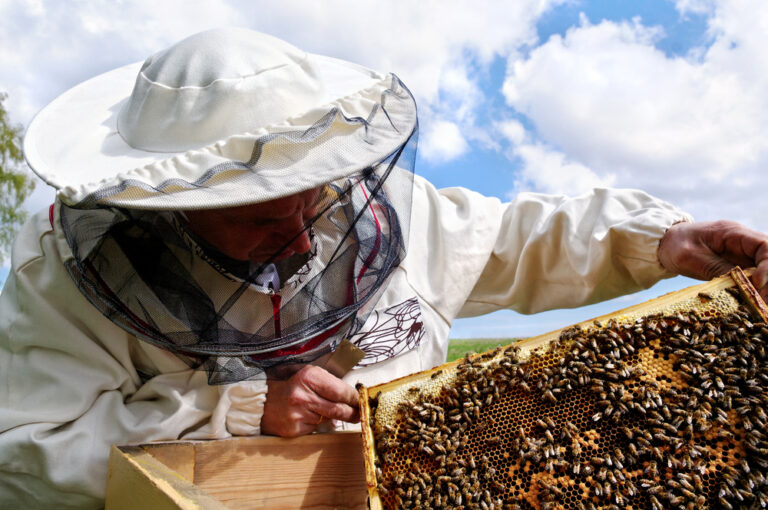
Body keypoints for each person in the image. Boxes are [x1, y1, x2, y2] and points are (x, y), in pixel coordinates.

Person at [0, 28, 766, 508]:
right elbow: (26, 453)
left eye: (311, 204)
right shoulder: (61, 285)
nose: (303, 239)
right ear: (172, 209)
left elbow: (517, 237)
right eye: (265, 215)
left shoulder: (384, 214)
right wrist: (232, 415)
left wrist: (662, 242)